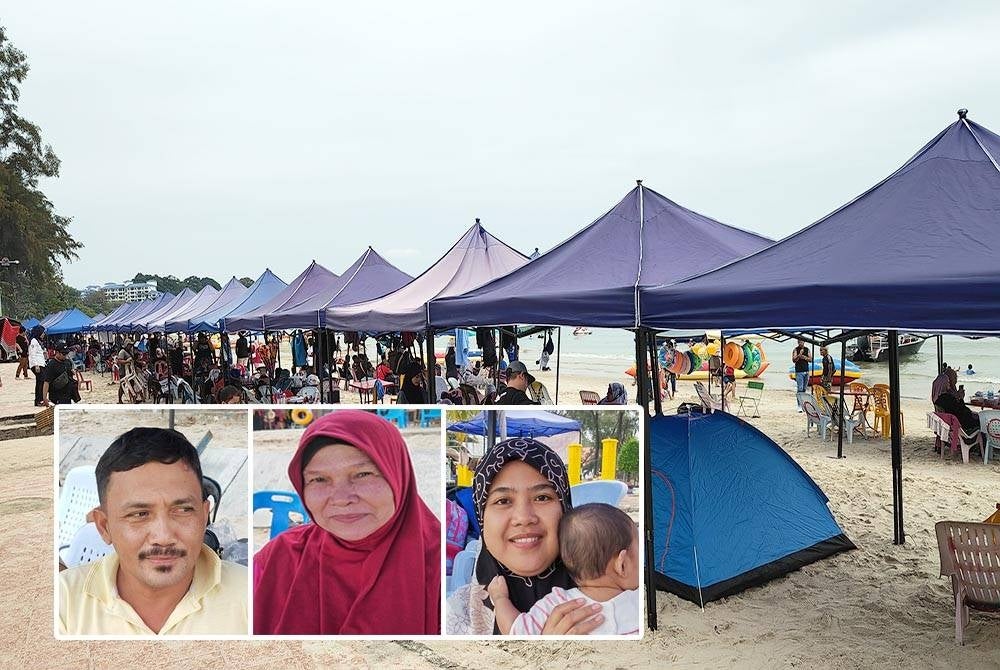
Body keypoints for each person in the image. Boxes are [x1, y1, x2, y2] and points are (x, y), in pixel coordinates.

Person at [253, 411, 440, 634]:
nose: (342, 499)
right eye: (319, 479)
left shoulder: (446, 568)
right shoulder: (276, 560)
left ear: (397, 475)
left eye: (363, 474)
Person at [58, 427, 248, 635]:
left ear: (204, 517)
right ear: (104, 526)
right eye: (140, 514)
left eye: (183, 510)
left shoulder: (254, 598)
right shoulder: (63, 604)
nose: (163, 537)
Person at [446, 437, 604, 635]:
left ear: (565, 509)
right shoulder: (453, 616)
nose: (523, 518)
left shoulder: (611, 599)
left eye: (542, 497)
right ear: (482, 518)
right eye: (503, 501)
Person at [488, 503, 640, 636]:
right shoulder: (638, 602)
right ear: (622, 564)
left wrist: (500, 599)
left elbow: (515, 630)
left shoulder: (556, 603)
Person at [931, 366, 981, 435]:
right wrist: (961, 398)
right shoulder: (947, 398)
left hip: (951, 423)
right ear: (944, 384)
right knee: (982, 420)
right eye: (947, 382)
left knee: (978, 416)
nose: (949, 383)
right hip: (960, 424)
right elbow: (961, 411)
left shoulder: (938, 399)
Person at [28, 325, 47, 406]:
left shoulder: (38, 341)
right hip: (37, 364)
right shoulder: (34, 341)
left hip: (41, 363)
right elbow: (32, 354)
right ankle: (39, 400)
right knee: (41, 382)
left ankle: (40, 399)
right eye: (43, 333)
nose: (43, 334)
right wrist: (36, 365)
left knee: (40, 382)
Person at [792, 339, 811, 407]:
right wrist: (799, 355)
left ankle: (803, 404)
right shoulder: (795, 350)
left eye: (802, 341)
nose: (801, 343)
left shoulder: (807, 349)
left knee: (804, 389)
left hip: (806, 371)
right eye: (799, 341)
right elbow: (794, 360)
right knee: (800, 388)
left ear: (804, 342)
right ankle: (799, 405)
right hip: (799, 371)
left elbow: (810, 359)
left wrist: (804, 357)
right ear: (798, 342)